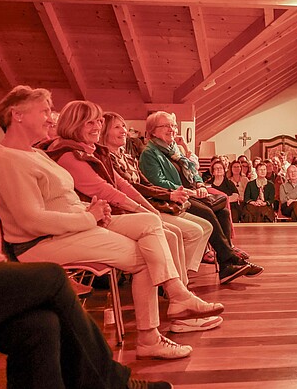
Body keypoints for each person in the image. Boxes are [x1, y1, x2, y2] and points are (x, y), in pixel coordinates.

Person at [0, 87, 218, 360]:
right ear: (17, 115)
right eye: (44, 111)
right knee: (145, 256)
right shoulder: (9, 160)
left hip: (75, 226)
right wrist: (88, 216)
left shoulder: (32, 154)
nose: (50, 118)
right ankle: (150, 337)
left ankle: (177, 296)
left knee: (149, 222)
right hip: (43, 243)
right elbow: (32, 220)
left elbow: (60, 200)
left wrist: (92, 210)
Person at [43, 100, 222, 334]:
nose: (98, 125)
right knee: (165, 232)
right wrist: (144, 210)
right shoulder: (68, 154)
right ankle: (179, 305)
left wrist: (149, 208)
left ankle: (182, 302)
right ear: (74, 124)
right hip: (95, 219)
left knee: (170, 230)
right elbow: (102, 190)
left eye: (99, 121)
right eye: (91, 122)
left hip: (108, 214)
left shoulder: (91, 151)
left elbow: (123, 184)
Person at [0, 238, 173, 389]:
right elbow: (29, 219)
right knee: (53, 278)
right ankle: (103, 387)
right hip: (38, 239)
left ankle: (101, 388)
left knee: (39, 326)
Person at [138, 111, 261, 284]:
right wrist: (188, 191)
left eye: (173, 125)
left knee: (223, 212)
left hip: (190, 194)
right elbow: (157, 183)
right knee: (208, 213)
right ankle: (229, 261)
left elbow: (193, 172)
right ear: (152, 131)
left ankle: (227, 264)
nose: (172, 129)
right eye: (166, 126)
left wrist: (200, 185)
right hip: (172, 198)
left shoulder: (175, 149)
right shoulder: (149, 153)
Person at [100, 111, 213, 292]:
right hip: (129, 210)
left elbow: (143, 183)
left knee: (205, 225)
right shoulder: (106, 159)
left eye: (123, 126)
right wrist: (169, 195)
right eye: (117, 127)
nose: (124, 130)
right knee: (188, 231)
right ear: (104, 131)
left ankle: (180, 279)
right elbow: (132, 188)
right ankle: (174, 285)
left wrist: (171, 193)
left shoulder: (127, 157)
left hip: (148, 204)